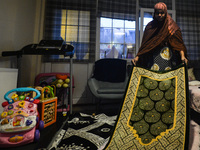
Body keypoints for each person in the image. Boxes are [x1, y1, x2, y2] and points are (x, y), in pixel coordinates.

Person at [132, 2, 188, 71]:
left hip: (168, 59)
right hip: (153, 59)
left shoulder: (171, 27)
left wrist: (182, 56)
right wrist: (137, 57)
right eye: (157, 13)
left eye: (162, 13)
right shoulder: (150, 27)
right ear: (154, 13)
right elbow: (145, 45)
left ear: (166, 13)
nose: (159, 15)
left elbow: (178, 44)